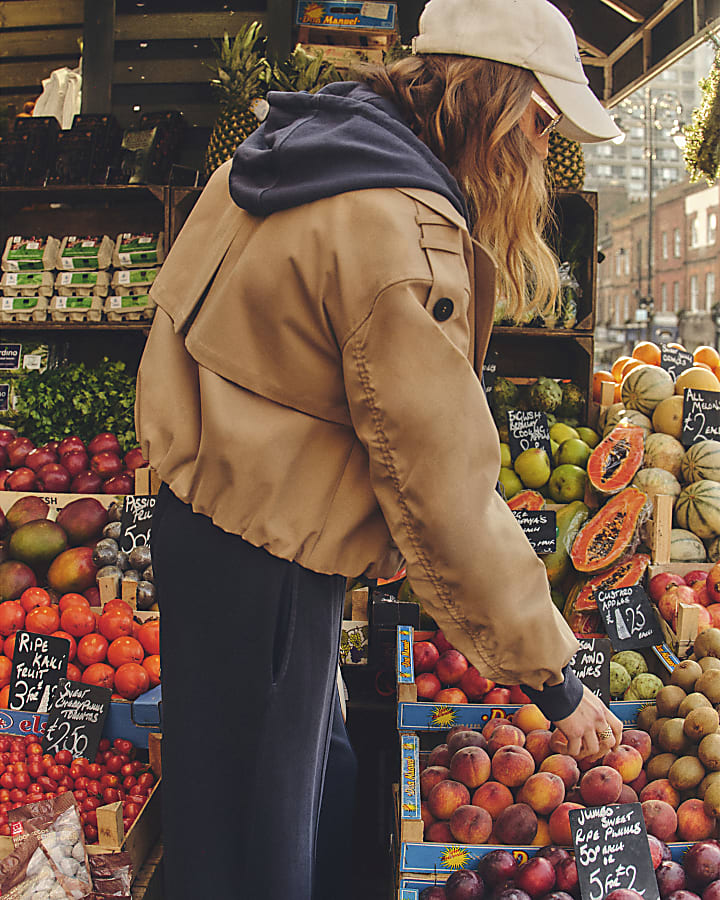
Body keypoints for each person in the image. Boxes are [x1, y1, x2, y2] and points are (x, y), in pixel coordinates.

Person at [135, 0, 624, 897]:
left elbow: (193, 329)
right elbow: (450, 490)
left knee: (233, 808)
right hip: (274, 553)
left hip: (203, 520)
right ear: (498, 100)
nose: (542, 155)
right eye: (543, 121)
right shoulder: (403, 228)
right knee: (258, 853)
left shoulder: (286, 153)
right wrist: (554, 679)